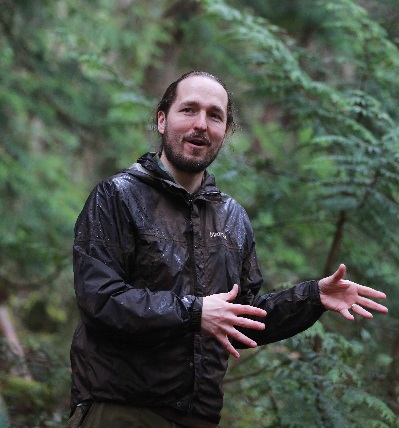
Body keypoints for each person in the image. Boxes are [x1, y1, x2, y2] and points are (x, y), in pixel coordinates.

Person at [67, 71, 388, 428]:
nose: (201, 124)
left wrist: (312, 296)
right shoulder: (117, 197)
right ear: (162, 120)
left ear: (226, 130)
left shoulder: (232, 217)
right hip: (122, 410)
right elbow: (101, 301)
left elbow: (241, 320)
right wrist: (194, 312)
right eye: (188, 110)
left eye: (214, 115)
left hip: (200, 417)